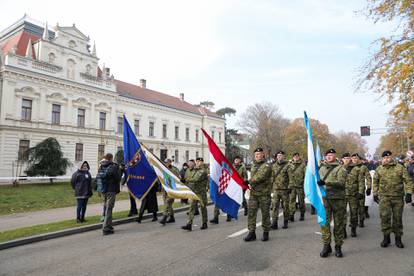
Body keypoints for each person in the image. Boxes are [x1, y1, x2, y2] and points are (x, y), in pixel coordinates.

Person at [373, 150, 413, 248]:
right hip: (384, 197)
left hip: (398, 198)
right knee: (385, 217)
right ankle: (386, 238)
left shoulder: (400, 168)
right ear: (383, 158)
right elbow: (375, 181)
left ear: (392, 157)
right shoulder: (379, 169)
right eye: (385, 158)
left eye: (389, 157)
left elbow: (408, 181)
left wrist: (408, 193)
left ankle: (398, 239)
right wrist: (375, 193)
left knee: (397, 218)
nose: (387, 159)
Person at [318, 148, 347, 258]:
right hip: (325, 200)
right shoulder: (321, 169)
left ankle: (338, 247)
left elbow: (341, 182)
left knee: (338, 224)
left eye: (331, 155)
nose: (329, 156)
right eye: (327, 155)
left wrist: (326, 182)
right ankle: (326, 246)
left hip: (338, 200)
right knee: (324, 223)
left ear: (335, 156)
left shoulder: (341, 169)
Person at [244, 147, 272, 242]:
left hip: (264, 194)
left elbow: (260, 177)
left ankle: (265, 232)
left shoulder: (267, 166)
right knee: (251, 214)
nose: (257, 156)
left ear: (263, 155)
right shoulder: (253, 165)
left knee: (265, 214)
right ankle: (252, 233)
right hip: (254, 194)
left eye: (259, 154)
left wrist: (248, 181)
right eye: (256, 155)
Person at [182, 157, 208, 231]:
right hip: (194, 192)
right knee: (191, 208)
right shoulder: (194, 170)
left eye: (199, 161)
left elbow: (196, 179)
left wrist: (186, 180)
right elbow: (188, 176)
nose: (198, 162)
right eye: (197, 161)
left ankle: (204, 223)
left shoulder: (203, 171)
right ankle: (189, 224)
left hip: (201, 193)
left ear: (202, 162)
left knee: (203, 208)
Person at [342, 153, 364, 238]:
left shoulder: (356, 169)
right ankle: (343, 230)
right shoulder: (339, 169)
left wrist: (361, 192)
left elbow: (361, 181)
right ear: (342, 159)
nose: (346, 159)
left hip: (353, 195)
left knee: (354, 213)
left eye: (348, 158)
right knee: (342, 213)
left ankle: (353, 229)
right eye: (345, 158)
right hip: (342, 195)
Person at [100, 153, 122, 235]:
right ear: (111, 158)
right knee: (109, 209)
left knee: (106, 208)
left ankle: (109, 226)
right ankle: (106, 228)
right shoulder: (113, 167)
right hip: (111, 190)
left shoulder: (101, 166)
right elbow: (118, 178)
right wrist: (120, 170)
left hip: (104, 190)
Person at [271, 151, 290, 229]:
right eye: (278, 156)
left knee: (285, 206)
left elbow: (291, 177)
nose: (279, 157)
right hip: (276, 189)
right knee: (275, 206)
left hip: (284, 189)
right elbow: (271, 177)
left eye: (281, 155)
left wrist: (289, 187)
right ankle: (274, 223)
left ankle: (285, 222)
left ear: (284, 156)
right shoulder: (273, 166)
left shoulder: (288, 166)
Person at [352, 154, 372, 225]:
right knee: (353, 208)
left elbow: (368, 177)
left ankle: (361, 220)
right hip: (351, 190)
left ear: (359, 159)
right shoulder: (349, 167)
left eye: (356, 158)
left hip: (361, 189)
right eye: (353, 158)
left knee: (361, 206)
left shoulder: (363, 167)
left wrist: (369, 187)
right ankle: (354, 222)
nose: (354, 159)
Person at [160, 158, 179, 225]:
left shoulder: (174, 169)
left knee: (167, 203)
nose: (165, 163)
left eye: (166, 162)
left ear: (170, 163)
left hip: (172, 189)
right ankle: (172, 217)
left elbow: (176, 178)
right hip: (165, 190)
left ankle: (164, 217)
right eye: (164, 162)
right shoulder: (163, 169)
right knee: (168, 204)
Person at [287, 153, 306, 221]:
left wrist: (303, 183)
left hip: (300, 186)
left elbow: (305, 175)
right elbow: (287, 175)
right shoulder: (289, 165)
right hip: (292, 186)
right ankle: (291, 215)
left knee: (301, 201)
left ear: (299, 157)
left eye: (297, 156)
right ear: (293, 157)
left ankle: (302, 214)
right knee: (292, 201)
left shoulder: (303, 165)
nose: (296, 157)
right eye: (294, 156)